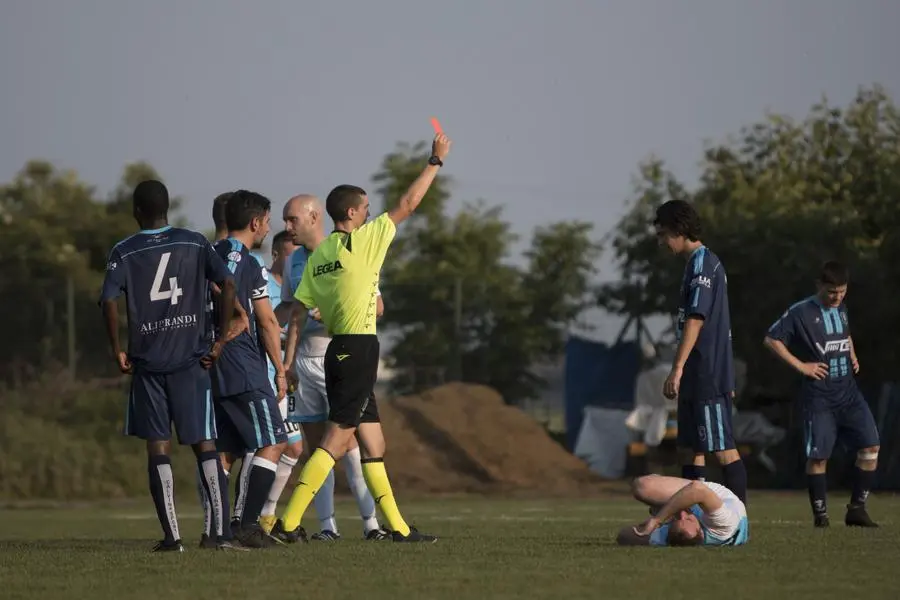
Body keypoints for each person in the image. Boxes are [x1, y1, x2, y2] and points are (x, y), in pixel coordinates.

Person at [270, 131, 452, 544]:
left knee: (374, 442)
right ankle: (290, 522)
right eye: (367, 209)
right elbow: (408, 204)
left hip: (340, 350)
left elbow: (305, 312)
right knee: (335, 443)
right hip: (357, 348)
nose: (372, 214)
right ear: (352, 213)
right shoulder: (362, 240)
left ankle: (399, 529)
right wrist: (435, 161)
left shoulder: (319, 257)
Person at [100, 180, 237, 552]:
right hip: (192, 361)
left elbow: (109, 300)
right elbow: (227, 282)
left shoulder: (124, 251)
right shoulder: (194, 241)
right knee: (205, 443)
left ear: (136, 211)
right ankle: (219, 536)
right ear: (167, 208)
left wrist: (118, 349)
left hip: (149, 364)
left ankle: (172, 538)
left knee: (157, 448)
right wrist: (220, 339)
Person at [273, 194, 388, 541]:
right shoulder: (294, 262)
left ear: (313, 217)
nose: (287, 227)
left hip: (337, 356)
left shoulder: (347, 250)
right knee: (315, 447)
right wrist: (284, 359)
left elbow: (377, 306)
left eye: (292, 219)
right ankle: (327, 528)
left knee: (349, 444)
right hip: (304, 362)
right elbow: (292, 313)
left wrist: (333, 313)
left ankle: (372, 525)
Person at [763, 261, 879, 527]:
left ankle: (857, 510)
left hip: (848, 392)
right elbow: (771, 339)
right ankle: (821, 516)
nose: (837, 297)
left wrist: (852, 353)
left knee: (871, 445)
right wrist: (802, 366)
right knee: (818, 456)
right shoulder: (800, 312)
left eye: (842, 291)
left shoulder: (841, 308)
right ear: (819, 286)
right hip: (819, 396)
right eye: (831, 292)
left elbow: (844, 334)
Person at [653, 200, 748, 504]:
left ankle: (737, 522)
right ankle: (691, 516)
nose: (661, 241)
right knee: (691, 447)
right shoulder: (693, 265)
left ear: (680, 231)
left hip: (707, 371)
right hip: (696, 372)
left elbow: (697, 318)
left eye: (664, 234)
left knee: (722, 448)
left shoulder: (704, 265)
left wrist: (676, 368)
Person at [210, 189, 290, 548]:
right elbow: (268, 321)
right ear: (256, 222)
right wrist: (281, 368)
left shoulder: (207, 254)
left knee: (227, 449)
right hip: (243, 364)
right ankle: (246, 526)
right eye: (268, 222)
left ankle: (215, 532)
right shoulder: (249, 263)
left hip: (212, 363)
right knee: (274, 441)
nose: (268, 228)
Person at [256, 230, 306, 533]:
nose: (294, 263)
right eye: (289, 256)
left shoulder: (299, 288)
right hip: (263, 377)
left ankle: (265, 513)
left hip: (285, 379)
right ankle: (246, 514)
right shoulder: (261, 284)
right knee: (261, 448)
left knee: (294, 449)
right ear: (276, 255)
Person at [617, 474, 749, 546]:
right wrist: (657, 520)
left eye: (677, 518)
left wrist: (642, 531)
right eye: (688, 518)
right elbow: (697, 488)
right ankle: (659, 510)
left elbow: (623, 536)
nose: (682, 514)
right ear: (701, 531)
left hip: (696, 499)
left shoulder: (671, 535)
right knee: (644, 488)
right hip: (713, 495)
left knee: (641, 487)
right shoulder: (722, 525)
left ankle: (659, 508)